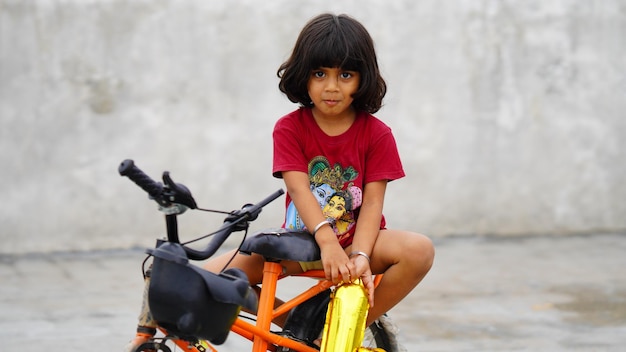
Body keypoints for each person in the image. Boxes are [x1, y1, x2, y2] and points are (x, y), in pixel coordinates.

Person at [205, 13, 434, 329]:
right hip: (302, 241)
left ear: (362, 78)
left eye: (345, 75)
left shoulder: (377, 134)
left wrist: (362, 257)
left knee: (420, 249)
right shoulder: (289, 129)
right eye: (319, 73)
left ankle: (346, 330)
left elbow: (371, 204)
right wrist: (326, 243)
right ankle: (299, 329)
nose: (331, 87)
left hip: (359, 240)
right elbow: (299, 190)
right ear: (303, 76)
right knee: (207, 279)